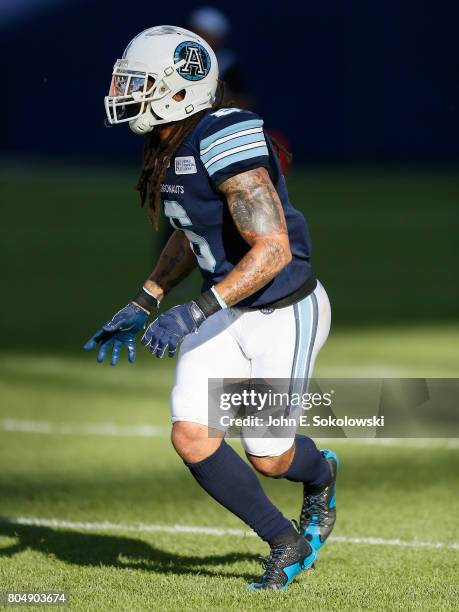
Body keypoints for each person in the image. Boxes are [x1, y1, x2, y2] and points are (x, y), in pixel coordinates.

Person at [85, 25, 339, 591]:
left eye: (139, 82)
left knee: (270, 457)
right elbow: (190, 230)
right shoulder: (170, 141)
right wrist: (145, 298)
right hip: (226, 306)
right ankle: (285, 543)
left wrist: (194, 310)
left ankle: (320, 477)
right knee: (191, 434)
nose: (125, 91)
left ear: (179, 89)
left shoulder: (224, 137)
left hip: (281, 308)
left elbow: (272, 250)